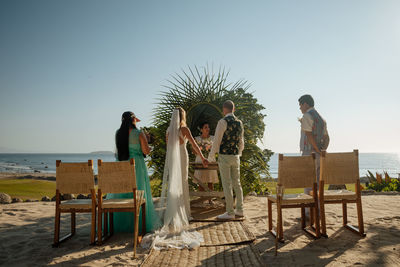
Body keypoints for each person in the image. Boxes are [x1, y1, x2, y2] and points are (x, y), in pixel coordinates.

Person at [144, 107, 207, 250]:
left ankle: (172, 214)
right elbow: (194, 144)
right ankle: (184, 213)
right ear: (182, 116)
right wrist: (202, 157)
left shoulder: (168, 130)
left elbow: (169, 147)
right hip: (182, 156)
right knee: (183, 183)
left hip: (172, 158)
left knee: (173, 184)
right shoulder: (184, 129)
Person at [110, 111, 161, 233]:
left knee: (123, 193)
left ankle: (120, 224)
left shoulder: (118, 133)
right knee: (138, 192)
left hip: (122, 165)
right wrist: (148, 142)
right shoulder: (138, 133)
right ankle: (139, 224)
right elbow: (146, 151)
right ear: (133, 120)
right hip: (136, 165)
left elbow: (117, 151)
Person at [208, 100, 244, 220]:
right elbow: (241, 142)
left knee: (227, 184)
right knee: (237, 183)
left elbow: (217, 140)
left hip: (224, 156)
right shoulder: (240, 123)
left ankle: (230, 212)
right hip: (235, 156)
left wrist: (211, 156)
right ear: (233, 109)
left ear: (224, 109)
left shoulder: (222, 122)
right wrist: (239, 153)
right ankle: (240, 210)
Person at [298, 95, 329, 212]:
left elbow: (309, 135)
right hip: (319, 155)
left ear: (305, 104)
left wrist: (316, 149)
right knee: (317, 183)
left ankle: (308, 212)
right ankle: (318, 210)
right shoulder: (321, 119)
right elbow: (327, 138)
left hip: (309, 152)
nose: (300, 108)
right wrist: (322, 151)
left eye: (300, 105)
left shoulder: (306, 116)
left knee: (308, 182)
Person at [193, 122, 219, 192]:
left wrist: (210, 149)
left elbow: (216, 150)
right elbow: (193, 152)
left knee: (210, 181)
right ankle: (201, 200)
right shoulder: (196, 139)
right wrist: (201, 149)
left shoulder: (213, 138)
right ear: (201, 130)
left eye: (208, 127)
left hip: (210, 160)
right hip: (200, 160)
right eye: (205, 127)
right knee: (201, 182)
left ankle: (210, 199)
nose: (208, 129)